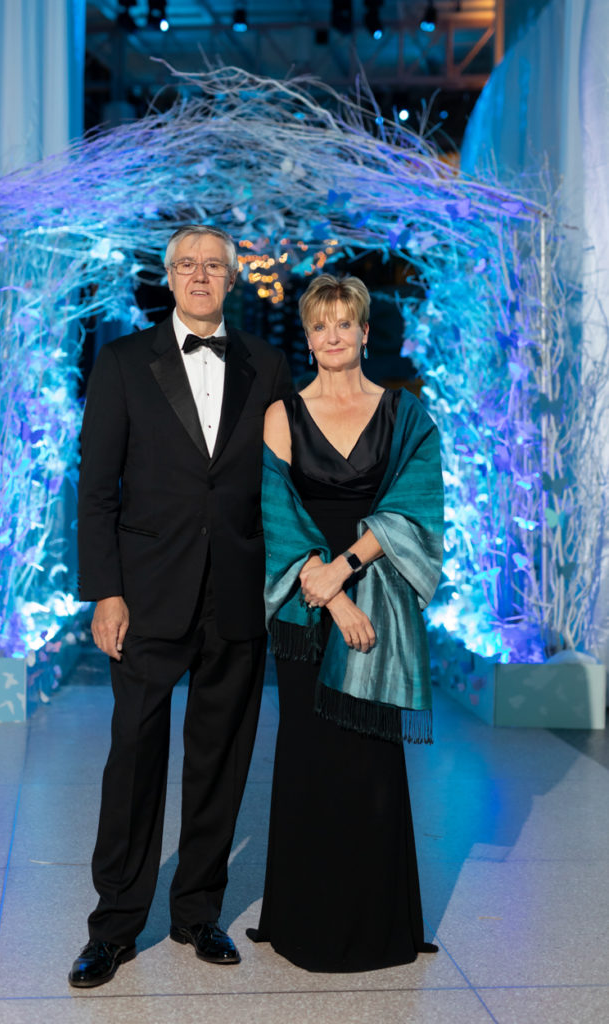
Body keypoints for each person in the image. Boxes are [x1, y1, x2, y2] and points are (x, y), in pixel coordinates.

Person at [69, 225, 292, 987]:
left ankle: (198, 913)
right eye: (187, 264)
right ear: (169, 277)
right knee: (134, 756)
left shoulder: (266, 363)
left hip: (236, 593)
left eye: (214, 266)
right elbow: (96, 489)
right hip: (145, 593)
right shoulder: (123, 361)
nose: (200, 276)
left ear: (232, 279)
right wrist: (106, 590)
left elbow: (284, 479)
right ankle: (114, 926)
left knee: (221, 761)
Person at [247, 273, 444, 972]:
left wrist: (348, 567)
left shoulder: (404, 413)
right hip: (306, 604)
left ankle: (380, 925)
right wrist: (329, 593)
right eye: (319, 326)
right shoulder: (282, 414)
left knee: (372, 760)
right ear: (308, 338)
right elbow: (275, 515)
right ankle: (304, 923)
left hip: (378, 594)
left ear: (364, 331)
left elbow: (417, 506)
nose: (332, 336)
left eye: (343, 323)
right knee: (310, 756)